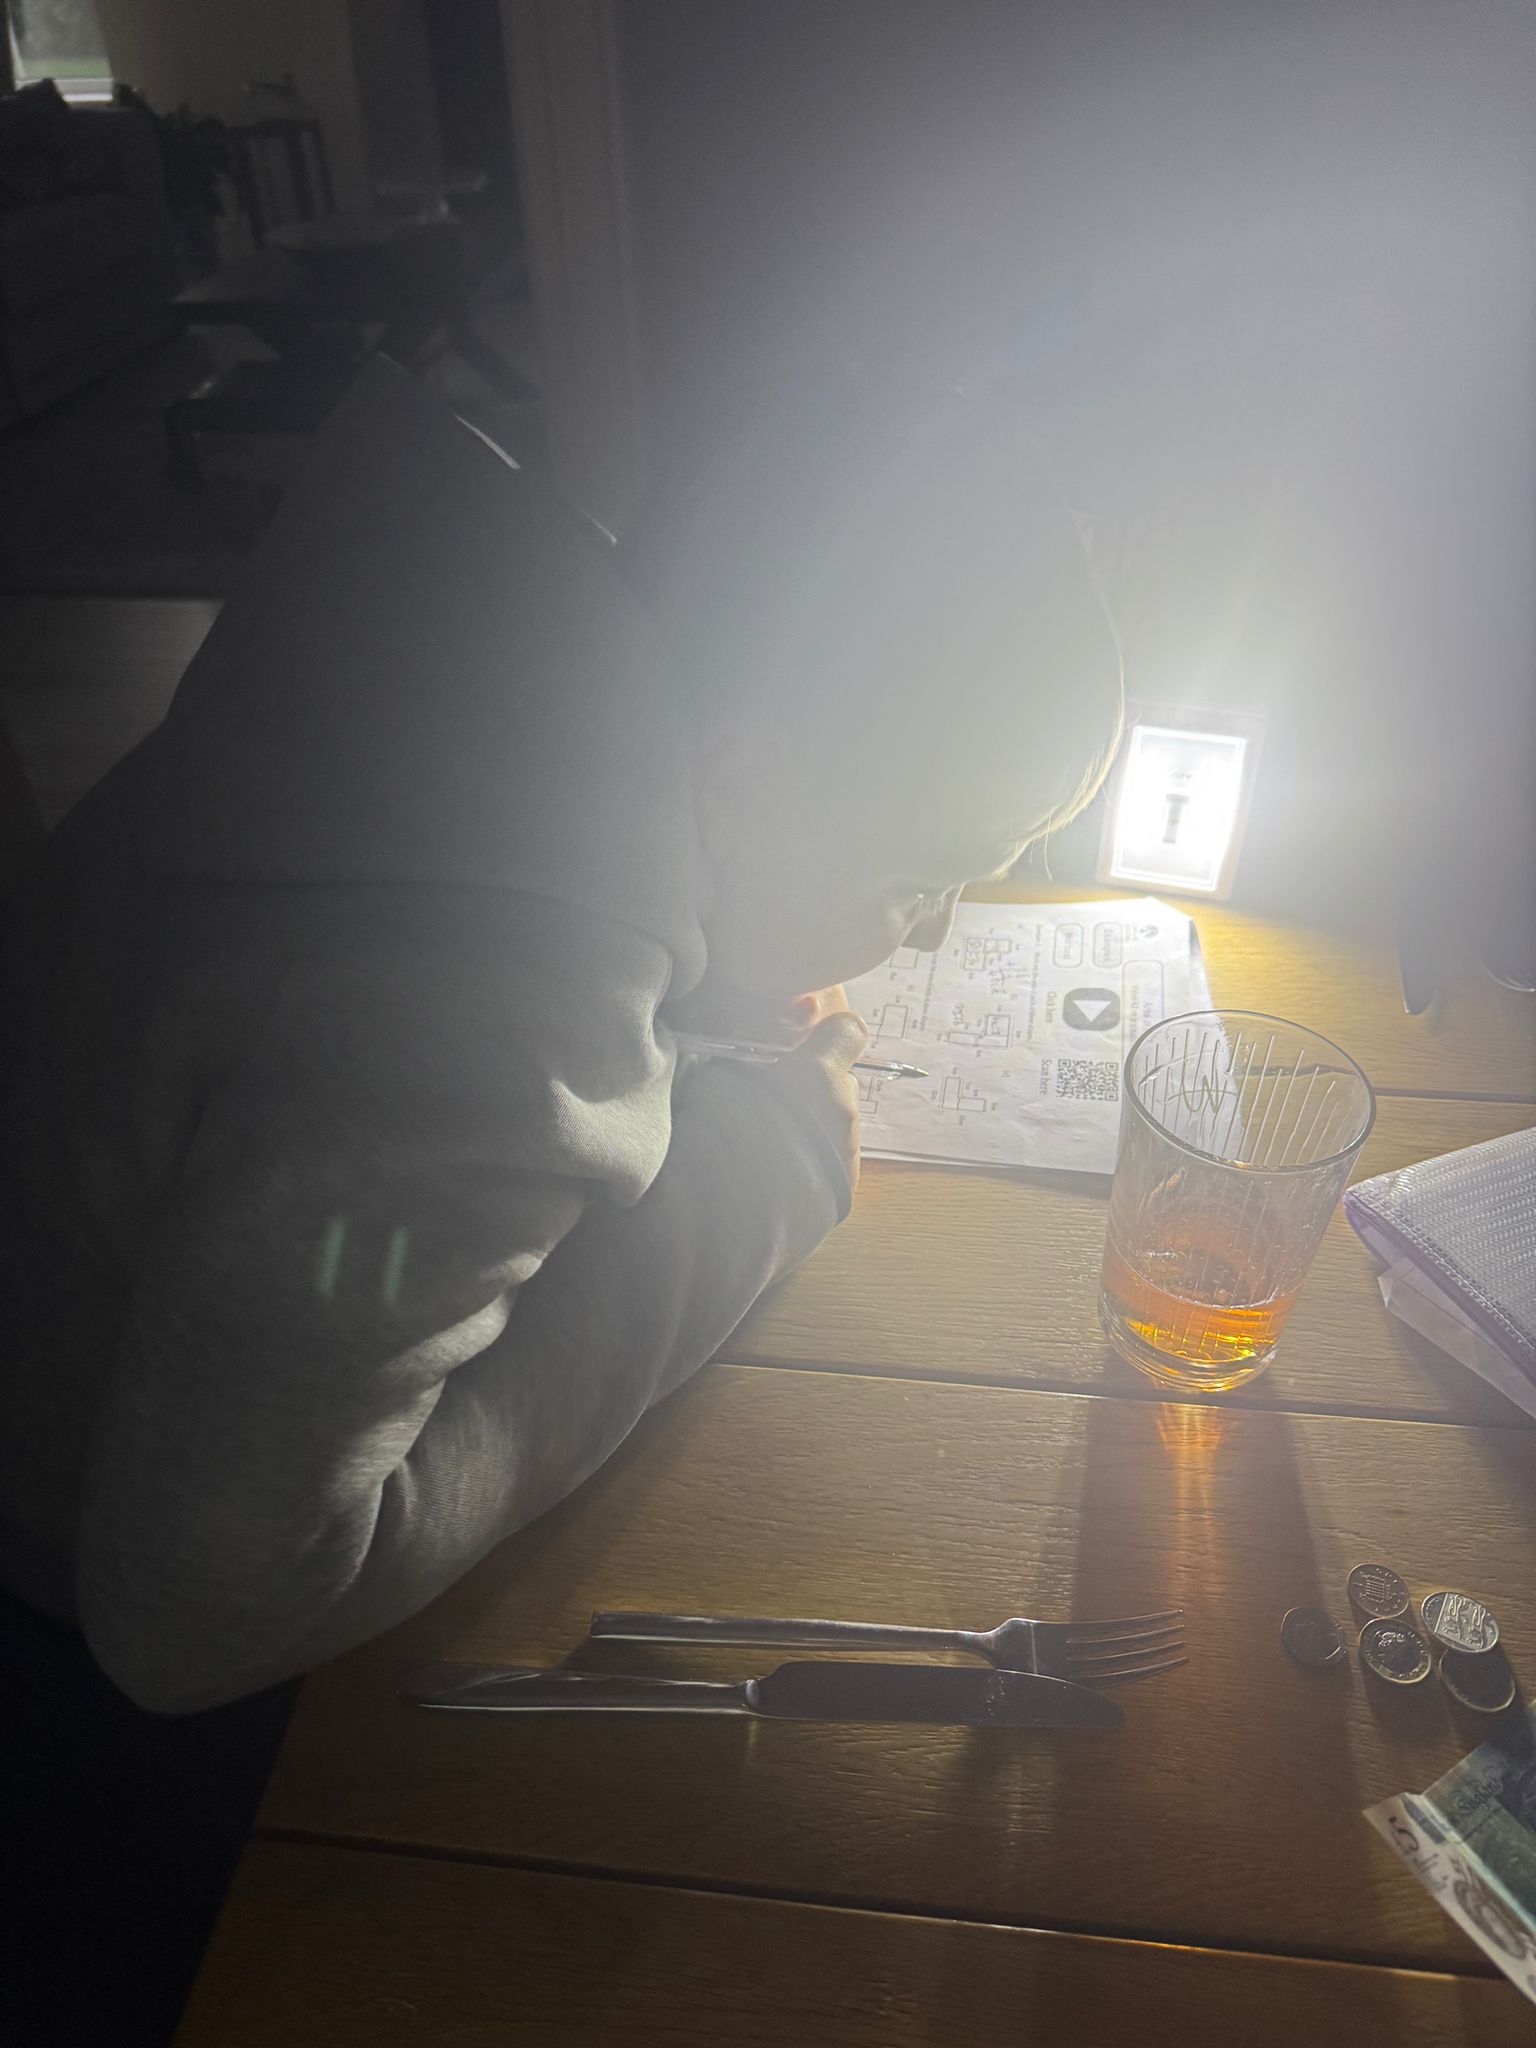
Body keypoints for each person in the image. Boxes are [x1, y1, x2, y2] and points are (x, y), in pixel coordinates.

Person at [0, 356, 1121, 1724]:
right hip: (69, 1614)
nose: (927, 937)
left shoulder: (476, 658)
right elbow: (201, 1614)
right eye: (915, 890)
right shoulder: (491, 1025)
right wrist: (757, 1181)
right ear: (742, 784)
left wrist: (698, 957)